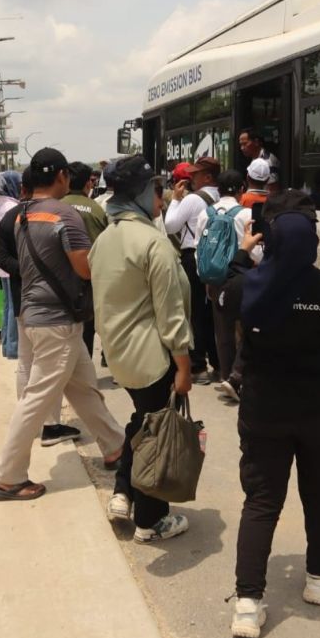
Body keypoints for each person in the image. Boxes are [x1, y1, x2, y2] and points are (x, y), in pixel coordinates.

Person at [218, 192, 320, 638]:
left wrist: (243, 252)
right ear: (312, 244)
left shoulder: (246, 288)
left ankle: (248, 604)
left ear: (270, 241)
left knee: (262, 503)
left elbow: (224, 287)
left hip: (264, 412)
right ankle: (318, 581)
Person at [0, 148, 124, 501]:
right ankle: (7, 475)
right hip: (57, 320)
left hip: (36, 314)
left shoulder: (23, 215)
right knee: (36, 399)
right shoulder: (64, 214)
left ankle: (115, 447)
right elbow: (84, 267)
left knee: (83, 387)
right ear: (62, 176)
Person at [90, 156, 194, 542]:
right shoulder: (153, 243)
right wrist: (183, 367)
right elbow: (170, 316)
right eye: (156, 189)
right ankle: (152, 521)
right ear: (141, 193)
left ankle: (123, 491)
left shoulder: (105, 240)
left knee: (142, 422)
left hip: (120, 355)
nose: (162, 198)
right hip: (154, 357)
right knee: (156, 434)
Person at [0, 169, 77, 447]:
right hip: (46, 304)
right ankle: (49, 424)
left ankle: (27, 416)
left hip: (23, 300)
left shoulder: (10, 216)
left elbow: (1, 257)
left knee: (27, 364)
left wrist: (23, 271)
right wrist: (31, 271)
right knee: (44, 368)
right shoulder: (49, 215)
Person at [195, 170, 256, 391]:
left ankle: (225, 374)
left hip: (215, 279)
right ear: (242, 189)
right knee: (248, 328)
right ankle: (238, 378)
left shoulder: (205, 213)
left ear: (218, 190)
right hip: (242, 278)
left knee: (222, 330)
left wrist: (207, 276)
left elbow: (198, 247)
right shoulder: (246, 214)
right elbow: (256, 251)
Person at [163, 156, 221, 383]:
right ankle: (219, 363)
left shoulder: (193, 200)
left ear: (207, 176)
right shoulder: (221, 197)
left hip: (193, 258)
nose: (190, 178)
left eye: (195, 174)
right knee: (214, 314)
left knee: (195, 312)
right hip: (216, 257)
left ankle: (198, 366)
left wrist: (176, 200)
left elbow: (170, 226)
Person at [61, 161, 109, 358]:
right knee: (87, 330)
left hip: (60, 280)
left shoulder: (56, 207)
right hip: (90, 281)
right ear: (88, 184)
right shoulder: (97, 210)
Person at [0, 170, 23, 360]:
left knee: (8, 305)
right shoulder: (10, 206)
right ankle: (13, 347)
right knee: (12, 306)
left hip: (4, 261)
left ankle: (7, 345)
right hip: (10, 260)